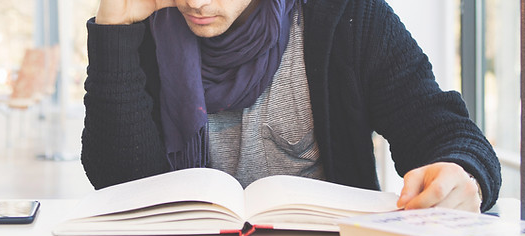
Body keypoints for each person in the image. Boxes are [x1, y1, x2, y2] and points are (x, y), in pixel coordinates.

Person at [81, 0, 501, 213]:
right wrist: (114, 30)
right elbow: (120, 190)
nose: (196, 2)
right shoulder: (147, 32)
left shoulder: (347, 15)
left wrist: (463, 175)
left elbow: (446, 134)